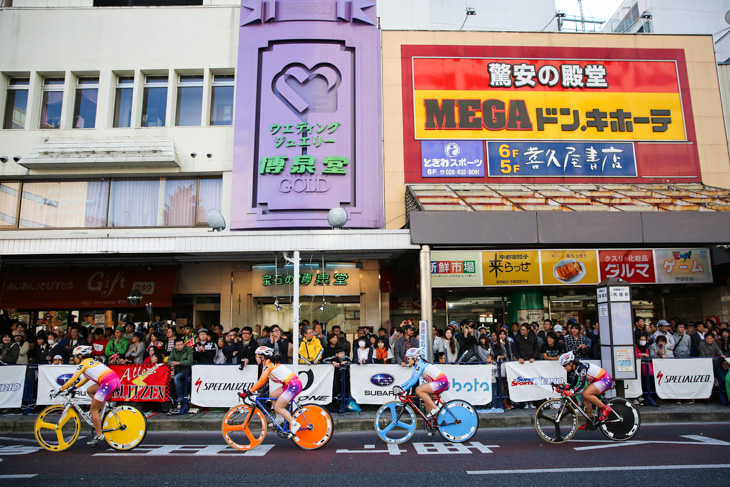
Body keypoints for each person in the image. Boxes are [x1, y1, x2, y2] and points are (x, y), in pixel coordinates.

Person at [52, 345, 121, 445]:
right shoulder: (91, 362)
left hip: (108, 383)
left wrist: (60, 389)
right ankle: (103, 408)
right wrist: (74, 388)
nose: (74, 359)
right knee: (90, 390)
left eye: (75, 357)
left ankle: (99, 435)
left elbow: (73, 379)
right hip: (112, 381)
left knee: (93, 410)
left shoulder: (83, 364)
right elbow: (85, 379)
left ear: (80, 356)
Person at [245, 346, 303, 437]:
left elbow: (261, 380)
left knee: (279, 407)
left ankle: (295, 424)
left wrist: (250, 390)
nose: (256, 358)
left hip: (293, 386)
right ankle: (279, 419)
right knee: (273, 395)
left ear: (263, 357)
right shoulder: (267, 364)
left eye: (257, 356)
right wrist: (253, 389)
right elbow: (264, 381)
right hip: (289, 385)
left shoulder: (268, 365)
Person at [559, 351, 613, 430]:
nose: (564, 368)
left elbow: (581, 383)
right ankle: (590, 421)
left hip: (605, 380)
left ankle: (605, 408)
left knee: (586, 393)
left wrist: (572, 391)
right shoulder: (576, 369)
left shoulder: (581, 368)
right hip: (597, 381)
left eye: (565, 365)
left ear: (570, 363)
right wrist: (566, 388)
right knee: (585, 399)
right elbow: (574, 383)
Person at [396, 348, 448, 419]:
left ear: (414, 358)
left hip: (441, 382)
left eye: (408, 358)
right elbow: (411, 379)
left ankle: (435, 408)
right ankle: (435, 422)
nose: (407, 361)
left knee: (418, 390)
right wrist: (401, 387)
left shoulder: (420, 365)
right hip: (438, 383)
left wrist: (403, 389)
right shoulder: (417, 366)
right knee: (427, 404)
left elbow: (414, 381)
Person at [168, 337, 193, 413]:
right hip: (176, 370)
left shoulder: (188, 349)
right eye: (178, 345)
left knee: (177, 378)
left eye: (181, 345)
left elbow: (190, 361)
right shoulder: (173, 350)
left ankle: (180, 396)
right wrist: (172, 363)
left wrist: (178, 363)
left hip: (187, 370)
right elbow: (169, 360)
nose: (180, 346)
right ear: (175, 346)